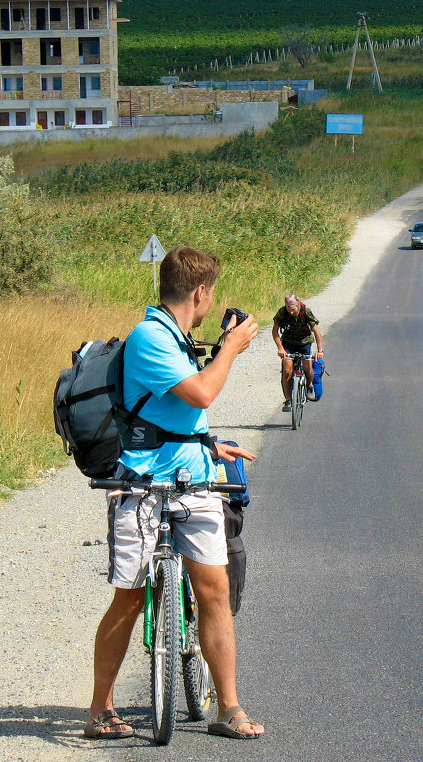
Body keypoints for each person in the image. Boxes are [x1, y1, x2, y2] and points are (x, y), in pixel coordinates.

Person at [86, 246, 265, 741]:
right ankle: (101, 709)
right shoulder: (150, 337)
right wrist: (230, 347)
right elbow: (203, 394)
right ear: (202, 291)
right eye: (211, 294)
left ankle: (228, 707)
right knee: (129, 598)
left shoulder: (178, 337)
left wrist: (208, 442)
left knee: (215, 591)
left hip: (195, 479)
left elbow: (172, 412)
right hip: (142, 486)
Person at [272, 294, 324, 412]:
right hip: (288, 343)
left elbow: (316, 331)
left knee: (308, 367)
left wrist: (320, 350)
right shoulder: (282, 312)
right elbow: (275, 331)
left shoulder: (305, 311)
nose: (291, 312)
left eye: (293, 309)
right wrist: (280, 348)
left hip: (305, 342)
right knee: (287, 371)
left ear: (298, 305)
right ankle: (289, 399)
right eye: (289, 309)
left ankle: (309, 385)